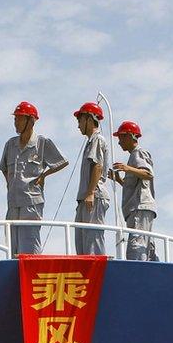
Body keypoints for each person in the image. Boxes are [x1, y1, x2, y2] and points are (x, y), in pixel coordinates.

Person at [0, 101, 69, 255]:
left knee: (29, 244)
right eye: (15, 119)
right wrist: (10, 185)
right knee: (12, 246)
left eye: (19, 119)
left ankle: (32, 273)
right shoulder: (10, 144)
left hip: (31, 201)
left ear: (31, 121)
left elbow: (62, 161)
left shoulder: (42, 143)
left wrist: (44, 175)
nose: (16, 122)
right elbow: (4, 168)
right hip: (13, 203)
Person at [110, 121, 157, 261]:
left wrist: (127, 168)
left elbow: (148, 174)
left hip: (140, 207)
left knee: (137, 247)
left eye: (121, 137)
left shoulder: (139, 153)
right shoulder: (133, 157)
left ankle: (137, 275)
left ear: (131, 136)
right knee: (146, 246)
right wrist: (118, 179)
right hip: (137, 209)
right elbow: (133, 185)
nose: (119, 142)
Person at [73, 102, 111, 255]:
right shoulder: (91, 142)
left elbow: (98, 166)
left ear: (90, 119)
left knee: (92, 241)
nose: (78, 125)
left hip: (93, 196)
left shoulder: (98, 139)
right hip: (85, 197)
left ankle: (97, 275)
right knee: (82, 242)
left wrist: (90, 193)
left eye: (80, 120)